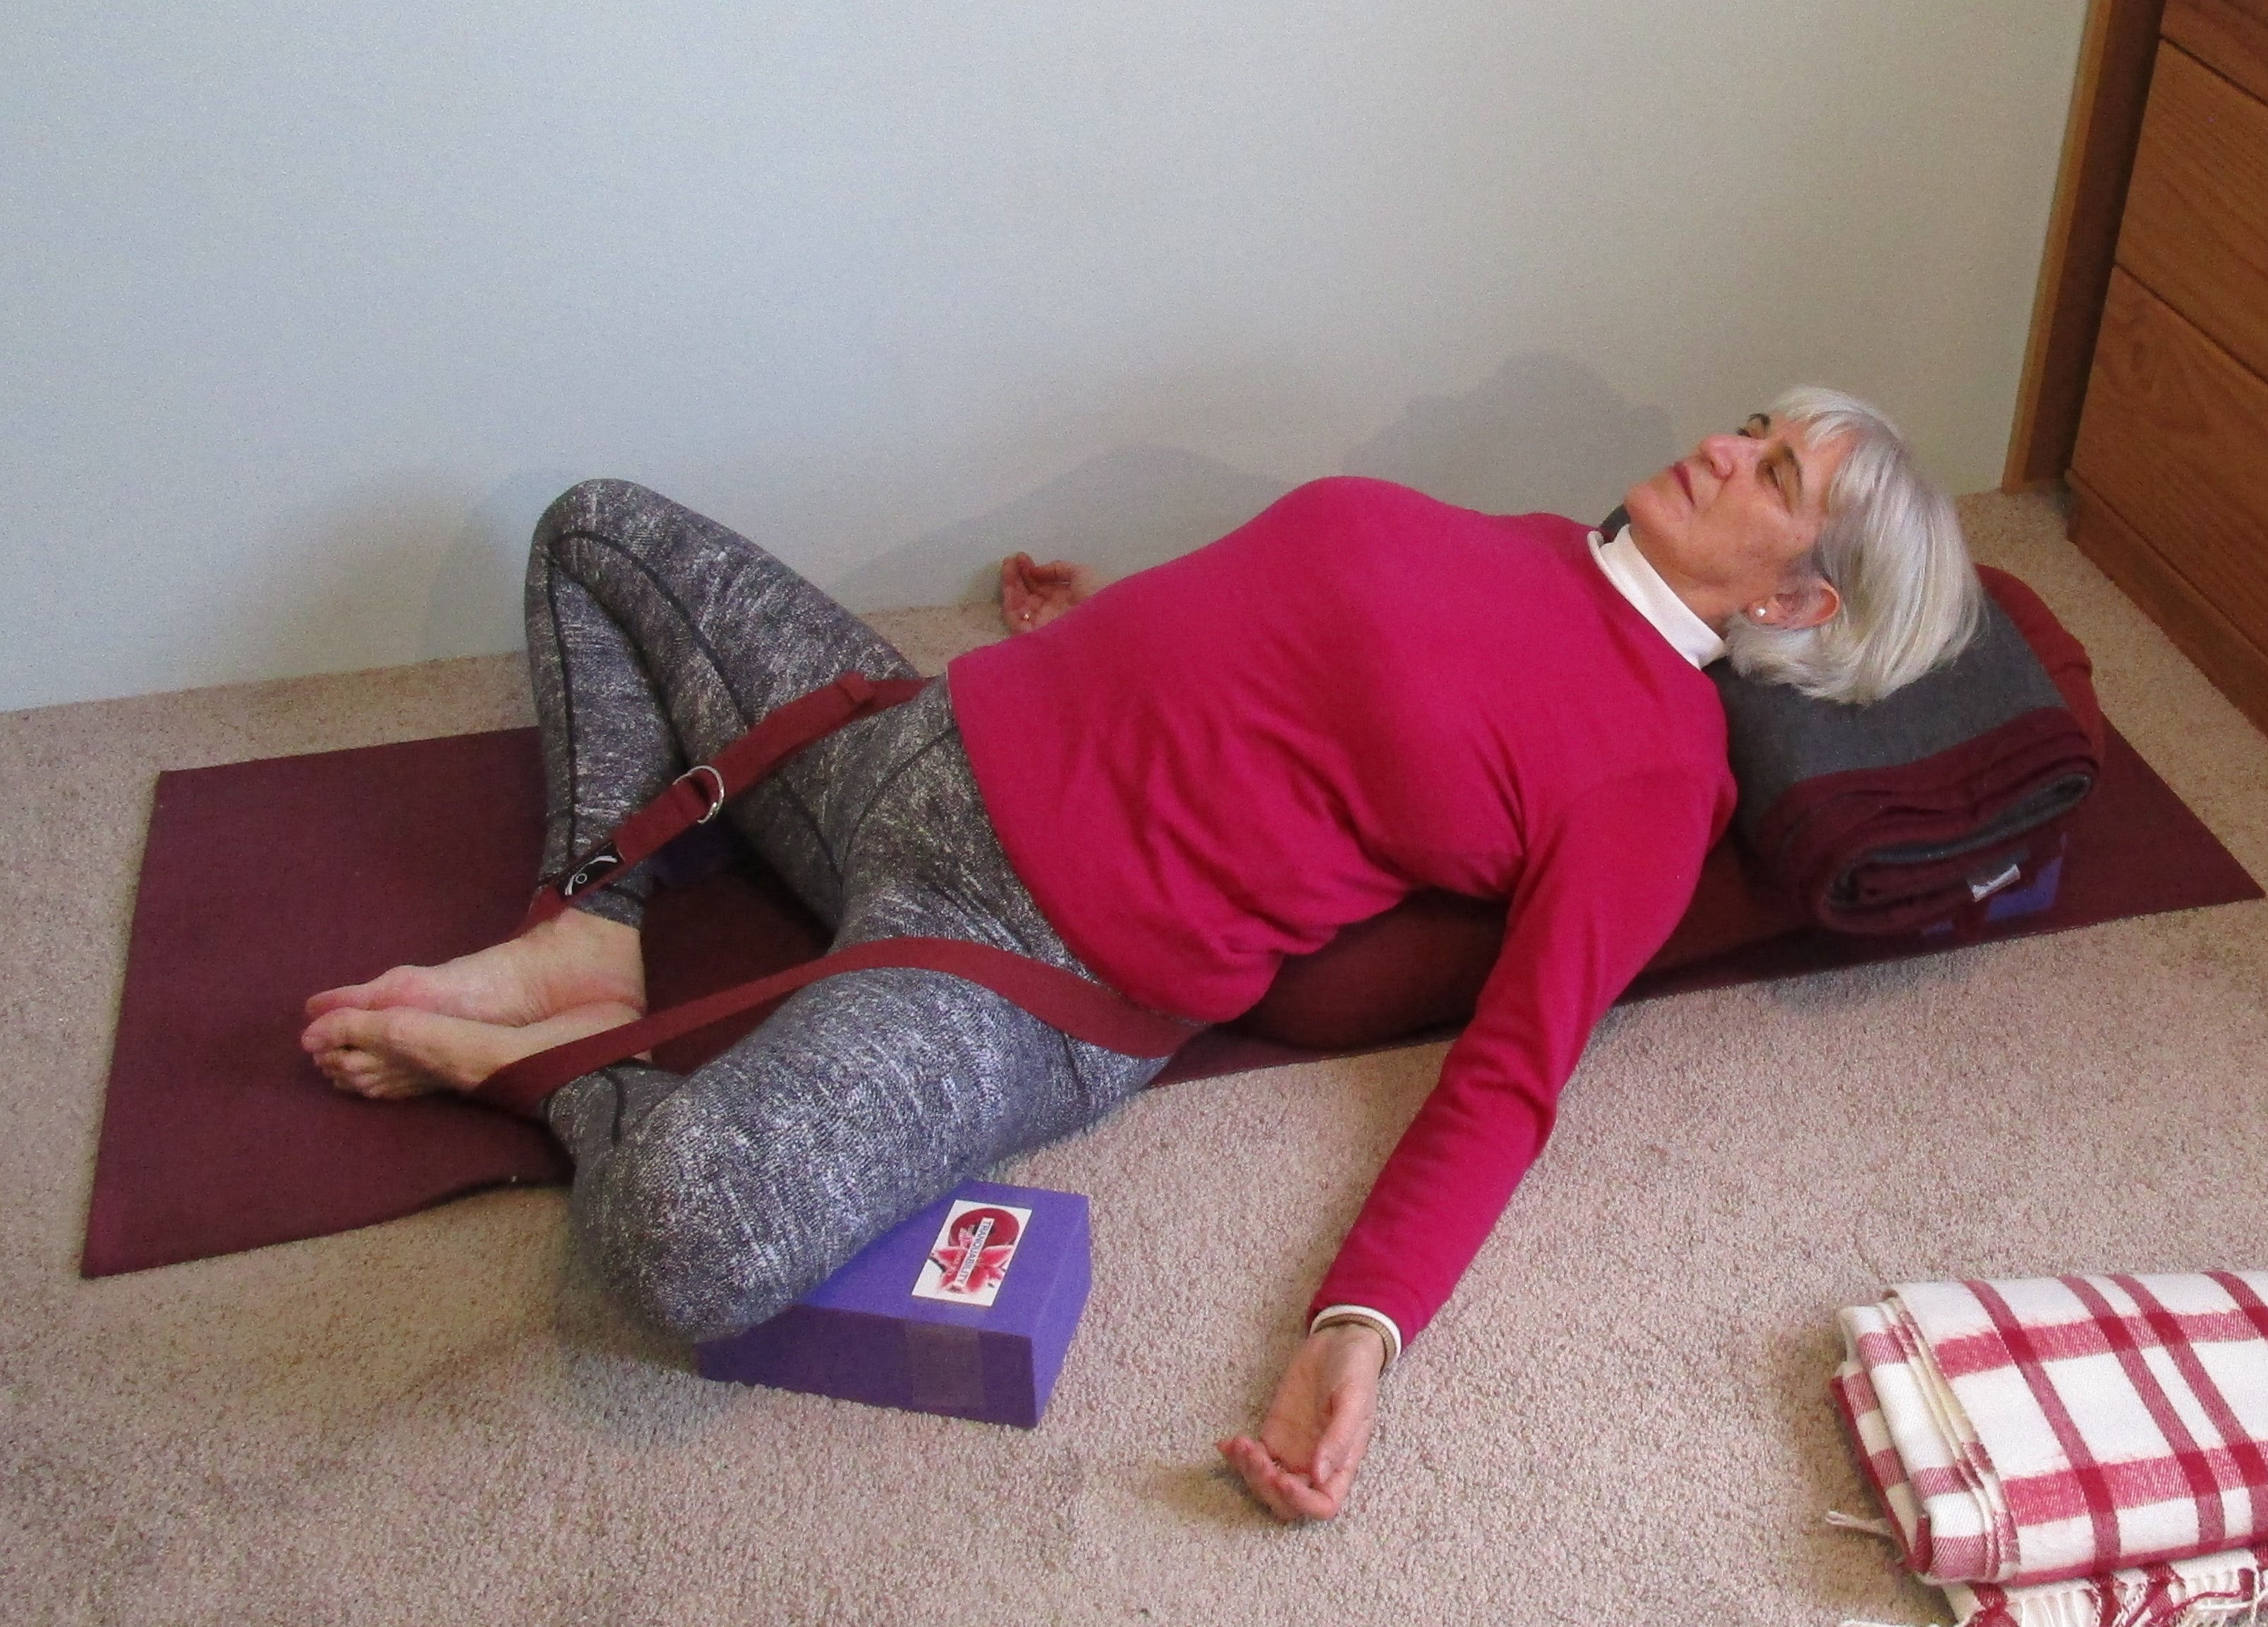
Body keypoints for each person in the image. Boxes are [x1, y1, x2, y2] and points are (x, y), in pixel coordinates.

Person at [302, 385, 1979, 1521]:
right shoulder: (1542, 539)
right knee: (597, 525)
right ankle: (589, 932)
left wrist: (1362, 1324)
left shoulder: (1655, 779)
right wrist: (1101, 624)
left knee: (686, 1235)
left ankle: (561, 1079)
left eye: (1777, 478)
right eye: (1759, 425)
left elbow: (1517, 1072)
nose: (1727, 447)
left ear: (1798, 607)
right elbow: (1310, 655)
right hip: (910, 740)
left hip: (1015, 959)